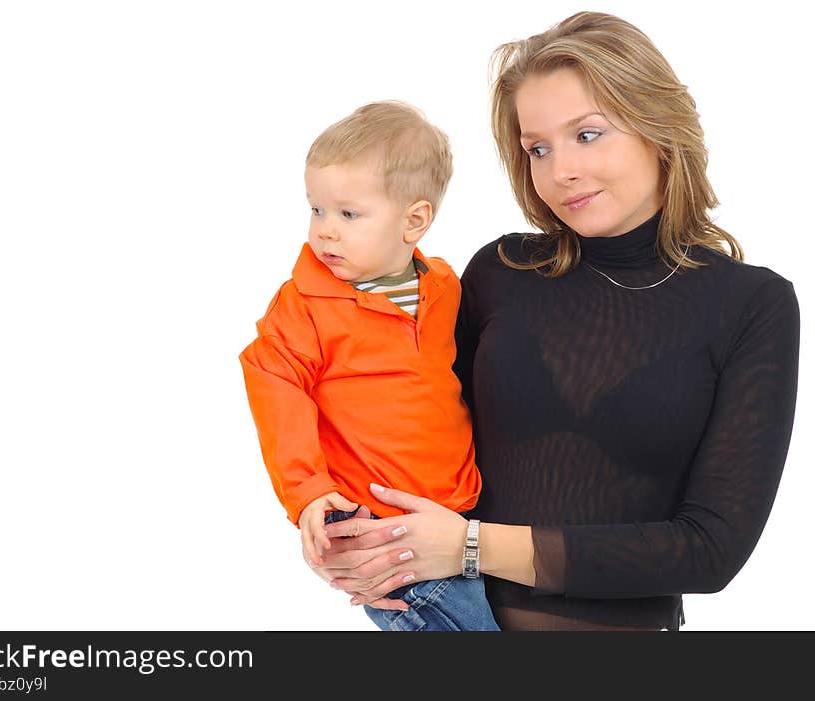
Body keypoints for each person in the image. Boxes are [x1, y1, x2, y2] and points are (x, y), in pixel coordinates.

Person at [314, 12, 800, 631]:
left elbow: (710, 551)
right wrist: (350, 533)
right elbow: (405, 424)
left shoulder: (752, 304)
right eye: (537, 148)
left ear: (658, 128)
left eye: (588, 135)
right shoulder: (500, 271)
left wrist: (469, 545)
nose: (559, 170)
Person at [239, 101, 500, 630]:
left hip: (458, 512)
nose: (325, 231)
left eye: (348, 214)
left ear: (415, 220)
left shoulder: (445, 287)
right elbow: (275, 388)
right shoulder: (304, 305)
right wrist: (308, 492)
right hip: (382, 531)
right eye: (316, 209)